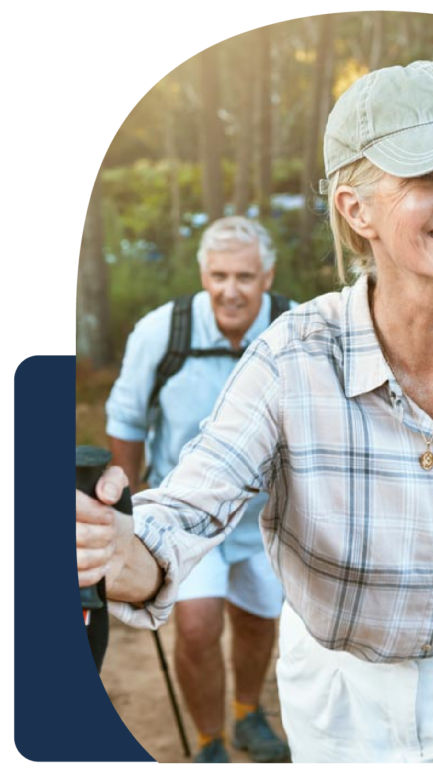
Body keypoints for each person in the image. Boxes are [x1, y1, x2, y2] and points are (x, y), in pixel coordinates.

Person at [77, 61, 433, 764]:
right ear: (357, 209)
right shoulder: (291, 357)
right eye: (430, 175)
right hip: (340, 697)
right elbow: (189, 507)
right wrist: (120, 551)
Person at [104, 216, 293, 764]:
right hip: (186, 513)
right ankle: (210, 740)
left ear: (267, 275)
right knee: (197, 622)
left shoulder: (293, 326)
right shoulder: (163, 332)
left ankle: (246, 713)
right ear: (202, 274)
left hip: (267, 516)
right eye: (218, 276)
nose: (230, 290)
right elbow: (127, 418)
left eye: (244, 276)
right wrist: (125, 516)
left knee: (259, 620)